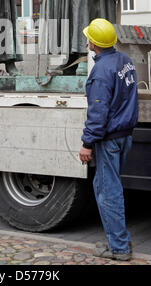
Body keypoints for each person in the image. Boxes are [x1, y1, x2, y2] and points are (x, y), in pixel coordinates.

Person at [79, 18, 138, 261]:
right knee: (105, 188)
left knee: (107, 192)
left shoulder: (100, 72)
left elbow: (98, 111)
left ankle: (119, 248)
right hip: (124, 135)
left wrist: (86, 143)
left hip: (109, 139)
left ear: (93, 43)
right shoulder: (125, 61)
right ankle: (117, 240)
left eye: (89, 39)